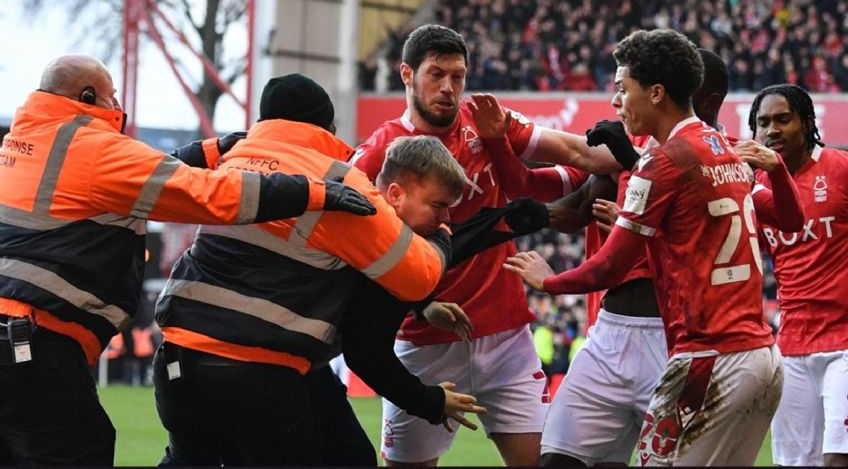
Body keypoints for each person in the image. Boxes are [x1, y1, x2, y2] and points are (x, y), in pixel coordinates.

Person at [0, 55, 372, 466]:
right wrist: (312, 192)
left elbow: (132, 178)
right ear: (87, 97)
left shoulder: (22, 145)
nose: (118, 106)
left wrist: (212, 150)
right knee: (75, 452)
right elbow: (206, 194)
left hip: (21, 338)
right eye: (112, 96)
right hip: (33, 342)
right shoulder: (89, 145)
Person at [505, 29, 784, 466]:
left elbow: (610, 267)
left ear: (656, 93)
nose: (618, 101)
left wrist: (549, 281)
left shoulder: (662, 161)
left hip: (707, 357)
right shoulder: (728, 152)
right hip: (756, 355)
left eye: (623, 89)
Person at [152, 73, 460, 466]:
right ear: (327, 127)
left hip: (178, 364)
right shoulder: (337, 180)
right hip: (259, 373)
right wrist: (443, 231)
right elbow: (420, 276)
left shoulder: (230, 160)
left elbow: (155, 172)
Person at [351, 24, 616, 467]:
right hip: (422, 342)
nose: (449, 88)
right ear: (406, 74)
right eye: (436, 74)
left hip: (505, 336)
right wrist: (418, 306)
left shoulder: (486, 122)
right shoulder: (377, 155)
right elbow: (353, 248)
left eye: (458, 76)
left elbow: (582, 155)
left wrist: (653, 154)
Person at [746, 83, 848, 467]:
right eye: (763, 123)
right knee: (794, 462)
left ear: (806, 123)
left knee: (839, 458)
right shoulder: (754, 189)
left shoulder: (840, 168)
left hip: (845, 342)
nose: (772, 130)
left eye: (783, 119)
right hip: (791, 346)